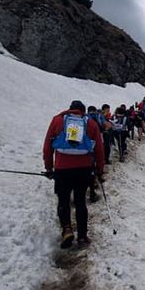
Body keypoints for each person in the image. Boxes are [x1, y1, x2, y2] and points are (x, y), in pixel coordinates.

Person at [43, 100, 105, 248]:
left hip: (62, 169)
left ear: (70, 110)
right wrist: (99, 171)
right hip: (83, 170)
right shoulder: (90, 124)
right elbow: (99, 150)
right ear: (82, 111)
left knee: (63, 200)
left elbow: (47, 146)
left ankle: (67, 230)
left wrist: (49, 168)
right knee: (80, 202)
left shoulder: (58, 121)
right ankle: (82, 236)